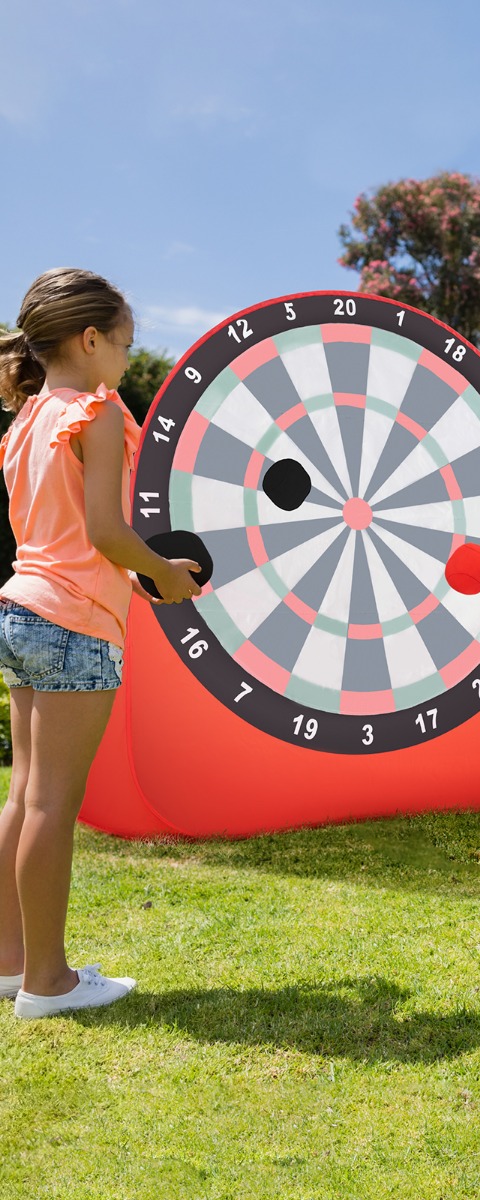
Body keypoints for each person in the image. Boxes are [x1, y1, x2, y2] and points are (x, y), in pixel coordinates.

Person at [0, 269, 201, 1019]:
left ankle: (11, 961)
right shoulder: (98, 410)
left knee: (24, 796)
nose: (124, 360)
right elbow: (107, 533)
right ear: (89, 341)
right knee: (53, 803)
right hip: (73, 621)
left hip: (20, 610)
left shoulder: (24, 420)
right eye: (122, 345)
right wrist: (166, 576)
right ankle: (48, 984)